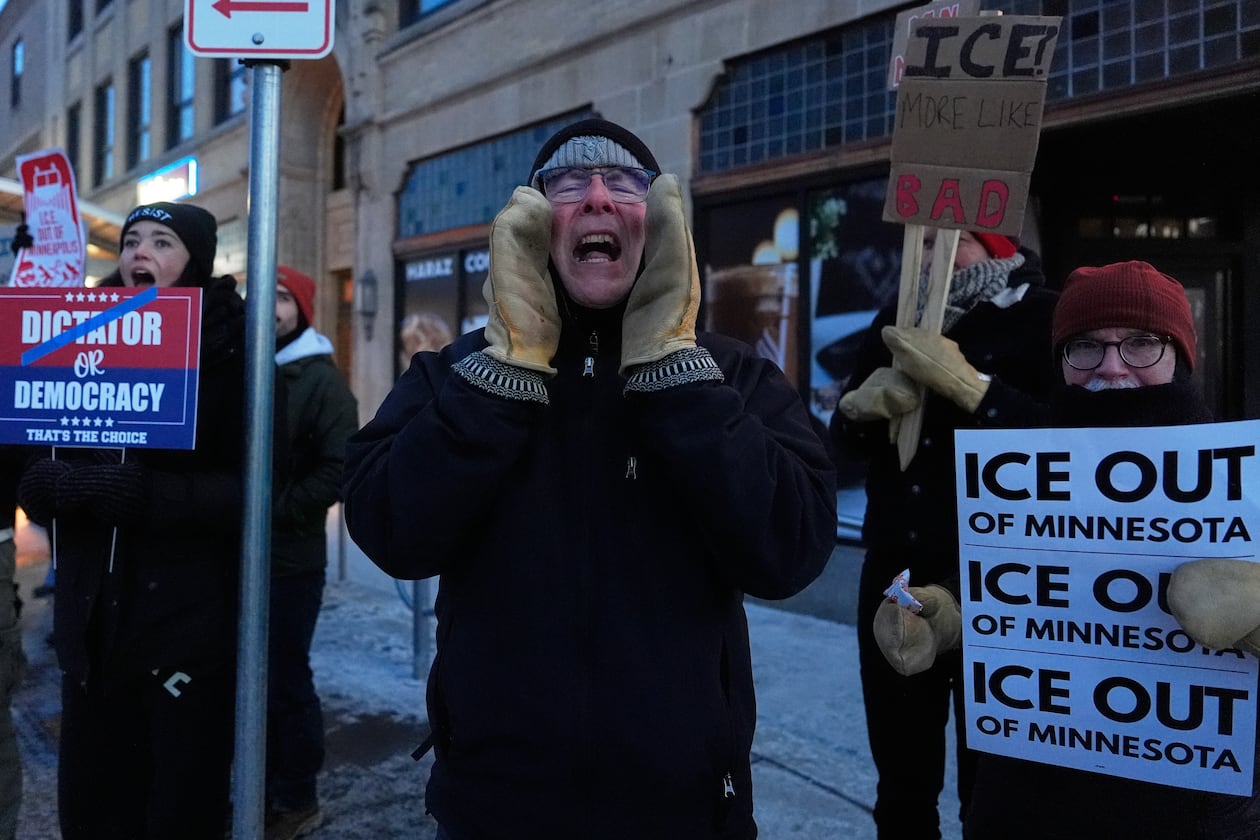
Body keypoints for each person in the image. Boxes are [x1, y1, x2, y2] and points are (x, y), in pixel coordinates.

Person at [341, 118, 837, 838]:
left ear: (659, 221)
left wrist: (675, 374)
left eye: (627, 184)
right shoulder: (455, 373)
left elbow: (792, 545)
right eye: (568, 185)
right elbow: (389, 526)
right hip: (496, 803)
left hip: (685, 807)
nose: (598, 197)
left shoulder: (730, 373)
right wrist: (504, 375)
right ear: (534, 226)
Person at [875, 259, 1260, 838]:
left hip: (1190, 816)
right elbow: (1017, 583)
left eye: (1141, 344)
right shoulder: (1026, 470)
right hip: (1022, 805)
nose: (1110, 367)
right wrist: (949, 614)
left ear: (1181, 356)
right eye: (1084, 347)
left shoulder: (1240, 481)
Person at [16, 201, 248, 839]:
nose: (139, 251)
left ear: (195, 261)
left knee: (176, 813)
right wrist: (49, 481)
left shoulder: (236, 348)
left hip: (183, 633)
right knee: (92, 812)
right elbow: (33, 459)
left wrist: (146, 494)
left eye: (162, 241)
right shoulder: (75, 336)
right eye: (131, 240)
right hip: (92, 633)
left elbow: (252, 492)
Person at [829, 228, 1059, 838]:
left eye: (952, 240)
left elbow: (1070, 442)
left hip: (1005, 579)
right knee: (903, 775)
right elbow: (843, 449)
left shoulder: (1043, 316)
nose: (934, 255)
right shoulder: (892, 318)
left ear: (993, 244)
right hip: (899, 570)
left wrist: (975, 391)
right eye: (923, 243)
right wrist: (857, 413)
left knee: (996, 783)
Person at [266, 266, 358, 839]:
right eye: (263, 297)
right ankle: (257, 784)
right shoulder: (247, 366)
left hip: (290, 561)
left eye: (282, 298)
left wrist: (275, 509)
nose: (270, 309)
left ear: (301, 309)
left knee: (283, 678)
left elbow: (339, 467)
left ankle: (297, 798)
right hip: (239, 557)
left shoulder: (321, 382)